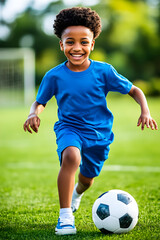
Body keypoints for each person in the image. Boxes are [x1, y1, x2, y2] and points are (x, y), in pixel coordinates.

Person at [23, 7, 158, 235]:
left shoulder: (104, 71)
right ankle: (65, 217)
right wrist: (33, 113)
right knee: (71, 157)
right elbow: (40, 101)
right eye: (70, 42)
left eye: (84, 42)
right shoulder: (54, 76)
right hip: (69, 128)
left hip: (99, 135)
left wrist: (145, 111)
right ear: (61, 45)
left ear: (92, 44)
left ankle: (77, 193)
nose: (77, 48)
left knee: (87, 179)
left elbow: (135, 90)